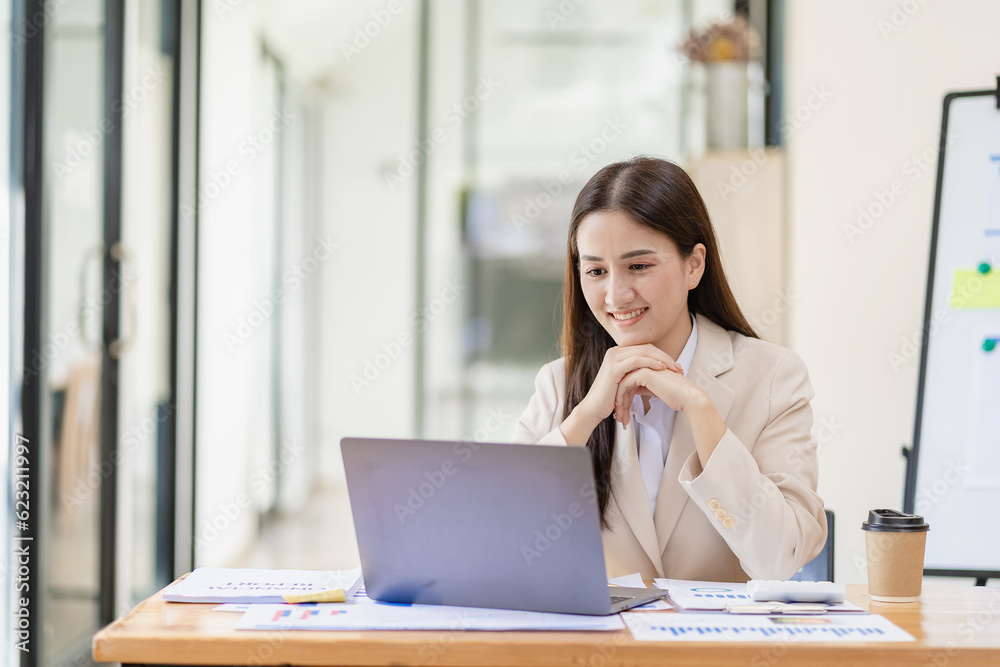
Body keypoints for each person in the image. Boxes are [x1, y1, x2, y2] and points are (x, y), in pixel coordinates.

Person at [512, 157, 827, 582]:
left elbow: (778, 560)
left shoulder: (773, 377)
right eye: (596, 271)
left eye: (638, 266)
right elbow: (509, 545)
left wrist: (701, 410)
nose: (616, 294)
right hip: (598, 646)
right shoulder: (559, 385)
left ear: (693, 265)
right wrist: (585, 415)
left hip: (714, 646)